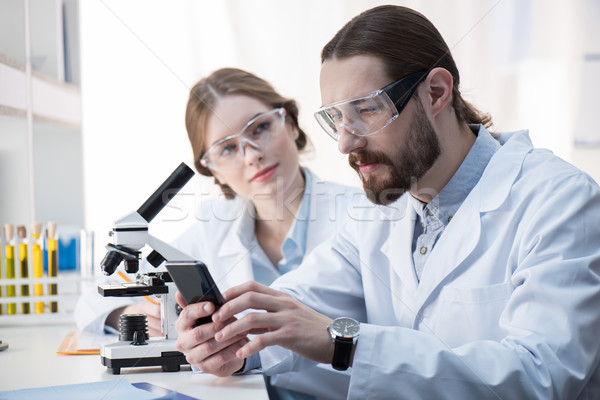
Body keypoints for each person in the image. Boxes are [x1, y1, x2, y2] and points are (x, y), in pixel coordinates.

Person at [173, 5, 600, 399]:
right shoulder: (381, 211)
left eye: (366, 110)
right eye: (336, 118)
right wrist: (235, 341)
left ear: (435, 92)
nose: (344, 142)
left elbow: (543, 375)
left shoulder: (559, 200)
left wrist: (345, 342)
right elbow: (299, 305)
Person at [75, 68, 360, 399]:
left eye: (261, 127)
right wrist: (135, 315)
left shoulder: (361, 215)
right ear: (212, 170)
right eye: (227, 148)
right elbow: (91, 300)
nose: (252, 154)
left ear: (291, 124)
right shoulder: (214, 227)